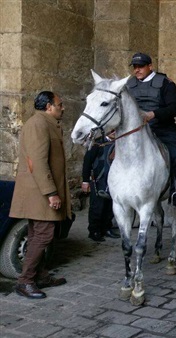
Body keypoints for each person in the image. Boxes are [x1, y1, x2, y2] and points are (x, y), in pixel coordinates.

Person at [10, 91, 70, 299]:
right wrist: (51, 193)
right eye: (59, 104)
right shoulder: (38, 124)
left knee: (38, 235)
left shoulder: (44, 123)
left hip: (39, 192)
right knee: (43, 235)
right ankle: (25, 281)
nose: (62, 107)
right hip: (39, 192)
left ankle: (40, 275)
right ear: (48, 107)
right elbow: (37, 162)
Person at [126, 52, 176, 207]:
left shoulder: (166, 83)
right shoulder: (129, 85)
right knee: (110, 153)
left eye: (141, 67)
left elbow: (175, 108)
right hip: (136, 130)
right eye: (135, 67)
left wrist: (153, 114)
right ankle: (108, 187)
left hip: (162, 129)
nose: (137, 70)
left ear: (150, 66)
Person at [81, 134, 118, 242]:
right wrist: (85, 181)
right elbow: (87, 162)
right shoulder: (97, 143)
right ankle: (94, 231)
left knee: (110, 207)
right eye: (112, 130)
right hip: (98, 180)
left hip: (113, 181)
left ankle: (106, 228)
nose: (114, 132)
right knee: (97, 207)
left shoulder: (119, 143)